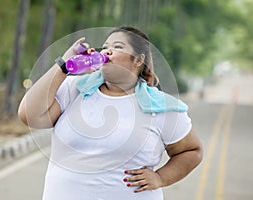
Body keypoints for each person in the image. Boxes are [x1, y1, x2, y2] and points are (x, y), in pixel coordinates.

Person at [18, 26, 203, 200]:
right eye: (105, 47)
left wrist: (160, 178)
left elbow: (192, 151)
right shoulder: (75, 89)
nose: (107, 51)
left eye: (117, 46)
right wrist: (64, 65)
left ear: (138, 60)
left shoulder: (161, 107)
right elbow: (29, 115)